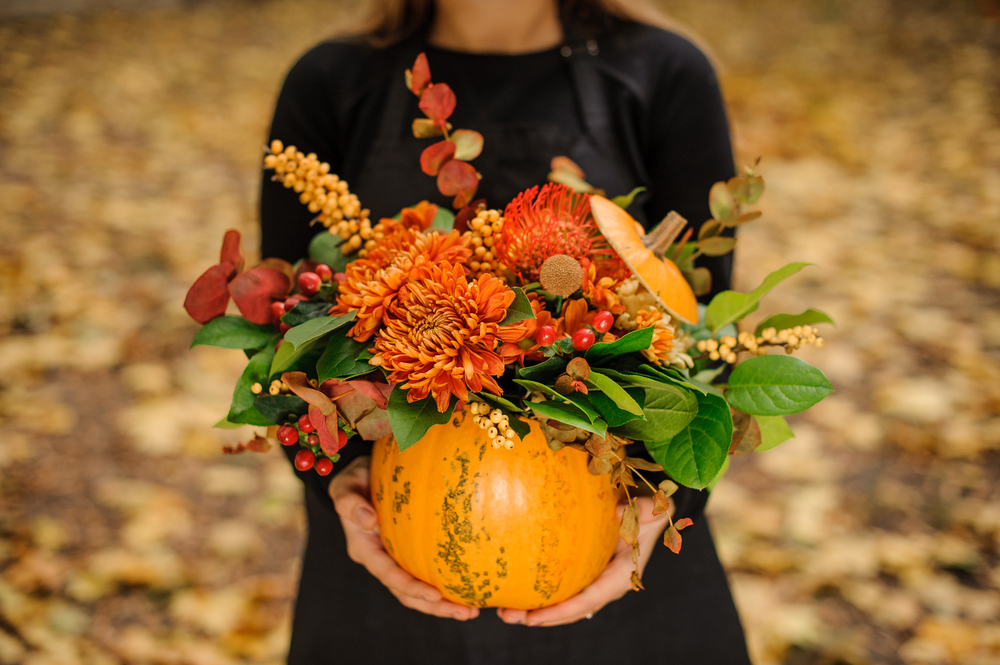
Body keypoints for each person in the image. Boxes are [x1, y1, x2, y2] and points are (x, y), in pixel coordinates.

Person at [260, 0, 752, 662]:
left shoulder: (664, 72)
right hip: (388, 568)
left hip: (622, 574)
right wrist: (339, 484)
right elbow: (286, 333)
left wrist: (667, 496)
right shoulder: (329, 81)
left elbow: (700, 338)